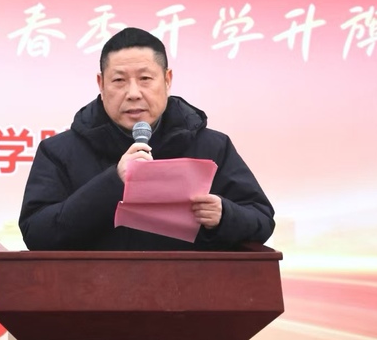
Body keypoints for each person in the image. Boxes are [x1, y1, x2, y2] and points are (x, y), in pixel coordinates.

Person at [19, 27, 274, 251]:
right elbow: (36, 233)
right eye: (119, 80)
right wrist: (113, 181)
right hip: (93, 289)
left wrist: (224, 215)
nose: (133, 93)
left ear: (167, 80)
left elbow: (261, 219)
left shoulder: (212, 147)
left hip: (188, 289)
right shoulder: (59, 152)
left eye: (145, 79)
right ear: (101, 84)